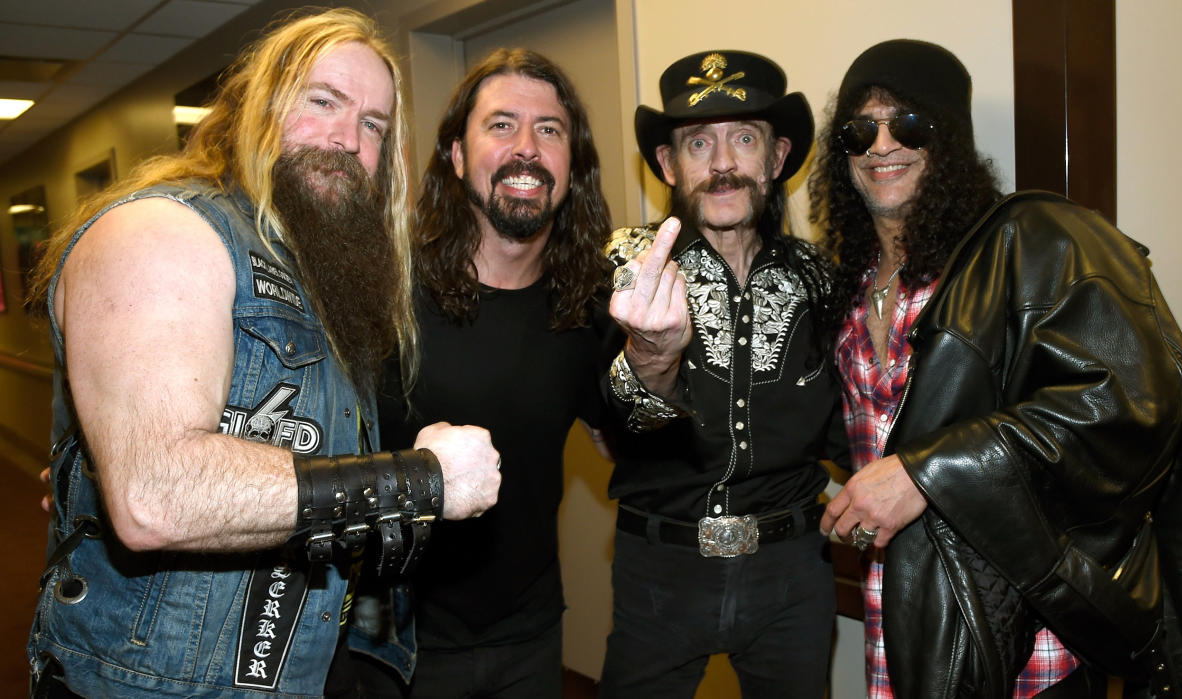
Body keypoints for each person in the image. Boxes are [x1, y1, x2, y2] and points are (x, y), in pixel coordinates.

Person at [25, 9, 502, 698]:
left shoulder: (320, 270)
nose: (347, 139)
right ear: (256, 107)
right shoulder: (159, 230)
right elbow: (155, 492)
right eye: (322, 102)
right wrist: (418, 481)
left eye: (373, 124)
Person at [810, 39, 1182, 698]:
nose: (882, 144)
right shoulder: (846, 288)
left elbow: (1127, 404)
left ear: (949, 138)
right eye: (861, 129)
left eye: (908, 123)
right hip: (903, 631)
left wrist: (929, 472)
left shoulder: (1023, 249)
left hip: (1028, 647)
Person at [346, 48, 613, 698]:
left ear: (571, 164)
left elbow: (626, 443)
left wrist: (661, 355)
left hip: (529, 638)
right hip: (391, 643)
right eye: (501, 124)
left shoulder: (588, 301)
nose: (526, 147)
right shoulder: (387, 294)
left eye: (549, 130)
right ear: (458, 156)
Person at [599, 50, 845, 698]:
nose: (723, 162)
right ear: (667, 164)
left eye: (744, 138)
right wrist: (649, 362)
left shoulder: (822, 279)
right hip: (660, 572)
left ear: (777, 156)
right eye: (699, 142)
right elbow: (606, 418)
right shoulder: (623, 268)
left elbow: (849, 425)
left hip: (794, 574)